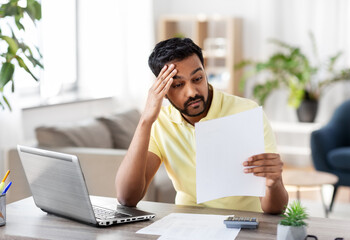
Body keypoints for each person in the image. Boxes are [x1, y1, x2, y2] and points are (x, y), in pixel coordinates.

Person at [115, 37, 288, 214]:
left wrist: (275, 183)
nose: (192, 92)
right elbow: (127, 198)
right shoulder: (160, 122)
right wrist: (145, 120)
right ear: (164, 92)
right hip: (187, 222)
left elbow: (275, 210)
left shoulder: (246, 113)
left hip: (243, 223)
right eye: (178, 85)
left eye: (197, 78)